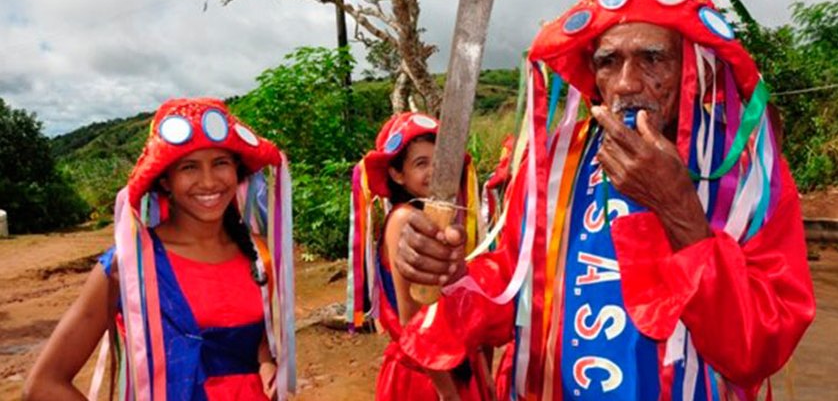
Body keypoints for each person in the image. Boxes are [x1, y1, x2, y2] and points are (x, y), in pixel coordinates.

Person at [393, 0, 816, 400]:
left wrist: (680, 212)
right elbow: (516, 288)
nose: (627, 84)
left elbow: (761, 347)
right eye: (608, 61)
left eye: (653, 58)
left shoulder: (744, 173)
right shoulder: (554, 161)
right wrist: (455, 277)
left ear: (691, 64)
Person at [24, 97, 296, 401]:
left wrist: (265, 363)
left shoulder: (258, 256)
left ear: (237, 170)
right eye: (189, 167)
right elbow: (43, 385)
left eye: (220, 163)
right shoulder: (129, 266)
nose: (208, 181)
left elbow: (252, 339)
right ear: (165, 180)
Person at [346, 112, 491, 400]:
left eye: (441, 161)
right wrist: (447, 392)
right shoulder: (405, 219)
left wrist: (482, 370)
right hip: (427, 377)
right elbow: (411, 318)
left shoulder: (438, 217)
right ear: (397, 174)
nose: (435, 170)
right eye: (421, 163)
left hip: (454, 366)